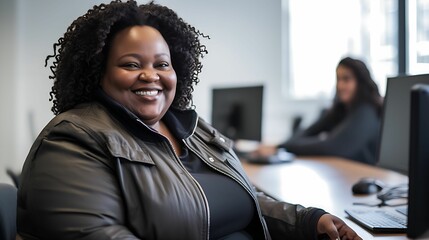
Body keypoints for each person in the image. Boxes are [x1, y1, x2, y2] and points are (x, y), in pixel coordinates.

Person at [17, 1, 361, 239]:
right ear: (97, 73)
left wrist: (308, 220)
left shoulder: (193, 129)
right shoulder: (71, 141)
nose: (150, 75)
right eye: (131, 64)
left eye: (162, 64)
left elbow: (247, 198)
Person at [257, 57, 382, 165]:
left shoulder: (366, 111)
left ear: (360, 83)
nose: (340, 86)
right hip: (342, 170)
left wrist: (282, 147)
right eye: (338, 79)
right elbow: (309, 131)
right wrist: (279, 147)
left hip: (362, 173)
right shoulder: (342, 109)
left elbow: (332, 146)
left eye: (346, 79)